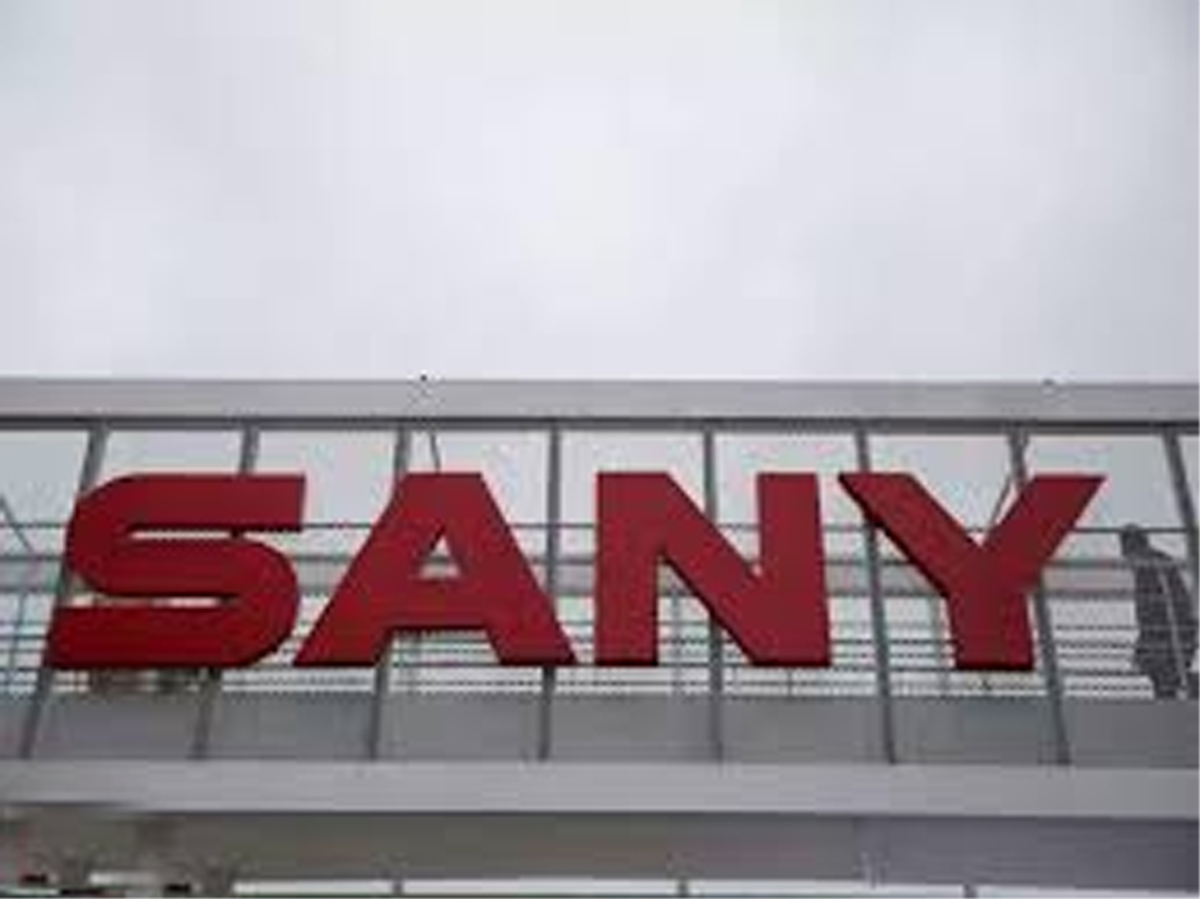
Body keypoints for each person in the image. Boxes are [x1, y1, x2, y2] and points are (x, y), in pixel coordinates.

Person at [1120, 525, 1197, 699]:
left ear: (1130, 548)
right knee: (1169, 678)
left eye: (1125, 552)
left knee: (1166, 678)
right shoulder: (1157, 561)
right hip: (1177, 633)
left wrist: (1143, 645)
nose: (1125, 559)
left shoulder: (1148, 566)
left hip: (1170, 635)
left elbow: (1152, 612)